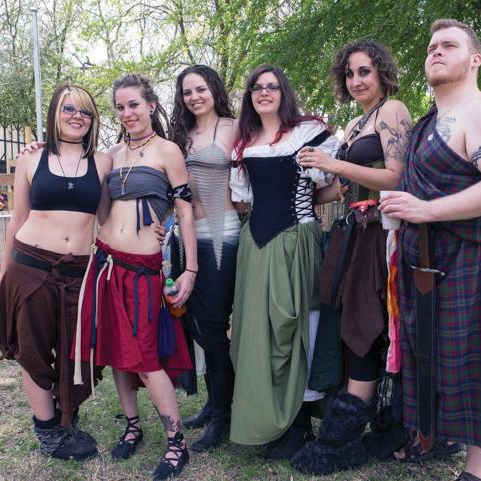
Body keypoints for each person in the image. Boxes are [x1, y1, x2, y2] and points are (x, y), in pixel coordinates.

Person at [379, 19, 481, 481]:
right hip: (428, 259)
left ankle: (477, 470)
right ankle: (435, 437)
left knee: (474, 361)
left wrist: (425, 211)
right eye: (431, 46)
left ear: (475, 59)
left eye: (449, 45)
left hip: (471, 257)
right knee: (436, 356)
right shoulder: (431, 120)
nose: (435, 51)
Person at [291, 39, 414, 475]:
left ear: (382, 73)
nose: (356, 80)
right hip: (354, 234)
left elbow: (394, 176)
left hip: (384, 235)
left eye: (365, 71)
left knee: (366, 327)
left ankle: (350, 436)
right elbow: (344, 186)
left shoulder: (393, 111)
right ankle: (361, 425)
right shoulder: (356, 123)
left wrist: (336, 164)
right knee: (349, 327)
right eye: (349, 73)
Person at [73, 74, 198, 481]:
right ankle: (132, 424)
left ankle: (176, 444)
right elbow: (100, 209)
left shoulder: (168, 151)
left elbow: (184, 212)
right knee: (115, 352)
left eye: (133, 105)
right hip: (106, 262)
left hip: (144, 270)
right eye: (121, 107)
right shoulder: (110, 154)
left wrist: (189, 268)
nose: (127, 113)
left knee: (145, 359)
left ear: (151, 106)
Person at [0, 83, 109, 460]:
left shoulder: (103, 162)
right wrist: (4, 274)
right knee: (33, 350)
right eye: (69, 109)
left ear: (93, 120)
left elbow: (108, 217)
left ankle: (68, 418)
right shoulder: (30, 159)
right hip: (31, 267)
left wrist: (151, 227)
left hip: (79, 274)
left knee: (76, 352)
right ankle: (49, 432)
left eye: (86, 112)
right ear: (55, 113)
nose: (77, 117)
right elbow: (17, 220)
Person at [228, 64, 339, 460]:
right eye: (256, 87)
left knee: (296, 327)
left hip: (296, 240)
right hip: (256, 245)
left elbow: (332, 185)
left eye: (272, 86)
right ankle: (269, 418)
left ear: (284, 92)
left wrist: (306, 205)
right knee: (258, 332)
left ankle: (300, 423)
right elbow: (244, 199)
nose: (264, 92)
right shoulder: (244, 142)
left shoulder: (310, 132)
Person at [170, 64, 240, 452]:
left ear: (214, 88)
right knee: (195, 324)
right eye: (186, 92)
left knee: (213, 326)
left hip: (223, 234)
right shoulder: (181, 135)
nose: (194, 97)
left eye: (200, 89)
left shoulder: (235, 128)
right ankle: (214, 402)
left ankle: (222, 419)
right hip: (186, 238)